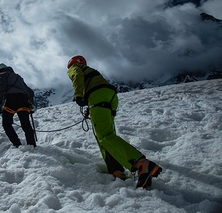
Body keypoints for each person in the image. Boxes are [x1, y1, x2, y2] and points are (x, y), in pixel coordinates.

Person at [67, 55, 162, 188]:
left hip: (97, 96)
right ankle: (116, 169)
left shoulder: (75, 67)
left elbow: (77, 76)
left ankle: (141, 164)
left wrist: (78, 95)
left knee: (104, 136)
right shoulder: (92, 71)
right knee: (108, 133)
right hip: (110, 96)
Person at [0, 63, 36, 148]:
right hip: (23, 100)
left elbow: (1, 88)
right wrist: (30, 104)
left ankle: (17, 144)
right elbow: (29, 91)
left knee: (6, 123)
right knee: (26, 124)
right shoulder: (18, 77)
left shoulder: (3, 75)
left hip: (11, 99)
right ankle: (32, 145)